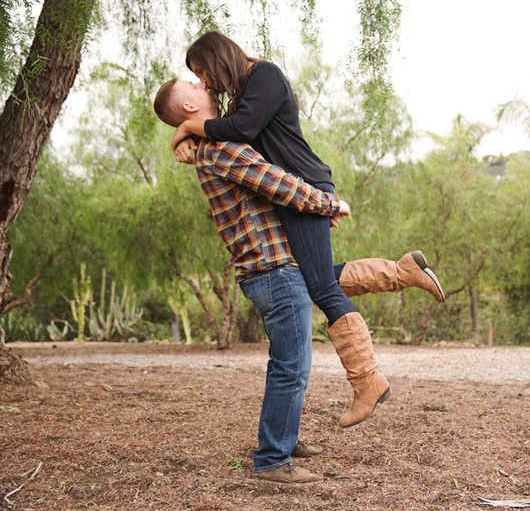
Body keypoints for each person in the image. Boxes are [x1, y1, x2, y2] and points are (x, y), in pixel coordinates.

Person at [154, 77, 444, 483]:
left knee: (321, 289)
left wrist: (183, 135)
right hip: (272, 269)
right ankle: (272, 459)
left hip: (277, 263)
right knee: (291, 367)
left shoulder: (212, 142)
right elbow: (276, 182)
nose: (205, 83)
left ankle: (402, 272)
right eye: (195, 84)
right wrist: (329, 204)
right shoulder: (219, 147)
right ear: (188, 107)